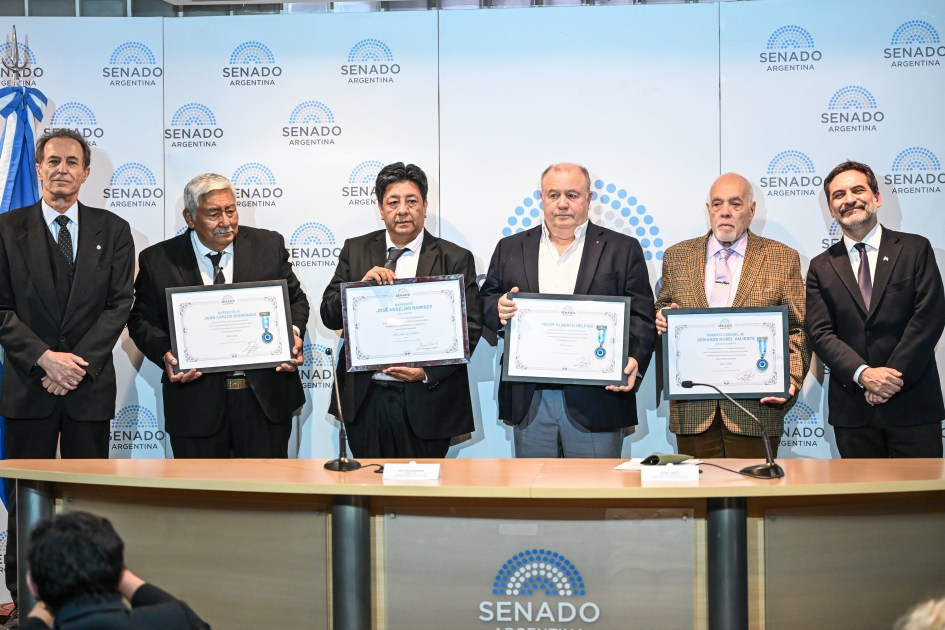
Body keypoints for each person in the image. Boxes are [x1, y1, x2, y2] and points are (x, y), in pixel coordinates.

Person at [0, 129, 134, 623]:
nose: (61, 168)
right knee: (25, 505)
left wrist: (74, 364)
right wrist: (44, 359)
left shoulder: (113, 229)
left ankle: (88, 606)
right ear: (38, 168)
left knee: (87, 501)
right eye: (52, 160)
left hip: (87, 385)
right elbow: (1, 309)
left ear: (85, 172)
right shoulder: (4, 228)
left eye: (71, 161)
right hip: (27, 386)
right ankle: (25, 609)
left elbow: (121, 303)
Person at [480, 162, 656, 458]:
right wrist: (497, 308)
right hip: (530, 398)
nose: (562, 204)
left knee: (595, 496)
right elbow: (485, 301)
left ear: (589, 198)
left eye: (572, 195)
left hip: (599, 398)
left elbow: (642, 315)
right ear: (541, 198)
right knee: (536, 496)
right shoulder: (509, 248)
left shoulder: (622, 248)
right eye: (553, 195)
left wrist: (634, 360)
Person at [127, 173, 308, 458]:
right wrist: (165, 353)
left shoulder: (268, 245)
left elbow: (295, 300)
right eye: (214, 214)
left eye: (231, 210)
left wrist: (292, 335)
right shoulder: (157, 260)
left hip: (264, 401)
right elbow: (140, 320)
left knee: (267, 495)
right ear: (190, 217)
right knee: (202, 498)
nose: (226, 222)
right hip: (195, 404)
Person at [319, 162, 482, 458]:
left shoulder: (455, 258)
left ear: (425, 206)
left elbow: (471, 327)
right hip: (366, 400)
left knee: (420, 495)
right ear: (381, 209)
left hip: (427, 399)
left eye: (411, 201)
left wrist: (426, 372)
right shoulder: (355, 250)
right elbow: (328, 316)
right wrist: (358, 288)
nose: (402, 210)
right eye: (393, 202)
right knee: (368, 490)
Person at [655, 173, 810, 458]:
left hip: (757, 407)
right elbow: (662, 308)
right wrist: (662, 316)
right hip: (693, 411)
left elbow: (798, 328)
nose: (725, 211)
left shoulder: (782, 257)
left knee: (753, 497)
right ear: (708, 209)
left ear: (751, 211)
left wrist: (791, 379)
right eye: (717, 204)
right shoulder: (677, 256)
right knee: (699, 496)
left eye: (735, 204)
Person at [806, 160, 945, 458]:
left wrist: (888, 379)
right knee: (863, 504)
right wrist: (863, 373)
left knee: (921, 503)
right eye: (838, 195)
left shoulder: (915, 249)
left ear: (877, 197)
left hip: (913, 403)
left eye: (858, 189)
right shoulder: (820, 267)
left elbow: (929, 317)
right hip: (854, 411)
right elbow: (820, 332)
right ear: (831, 209)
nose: (849, 199)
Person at [19, 511, 208, 629]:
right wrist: (118, 572)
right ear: (119, 572)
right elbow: (188, 618)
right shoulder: (176, 621)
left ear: (32, 585)